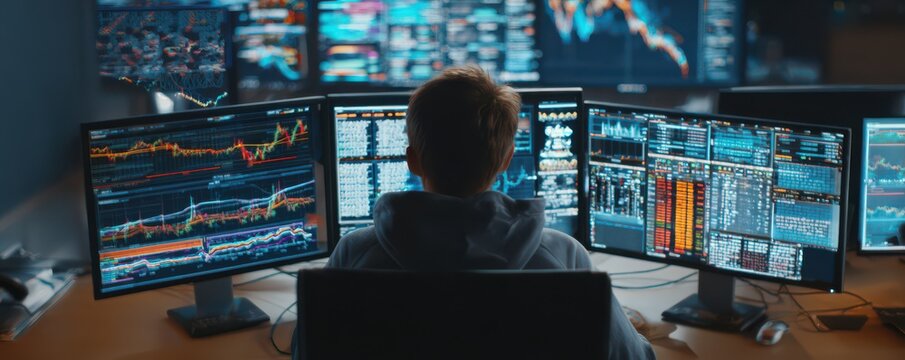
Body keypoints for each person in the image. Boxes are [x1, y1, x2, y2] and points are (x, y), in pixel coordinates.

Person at [326, 66, 655, 359]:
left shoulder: (355, 254)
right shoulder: (563, 256)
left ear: (412, 160)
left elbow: (309, 347)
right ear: (506, 160)